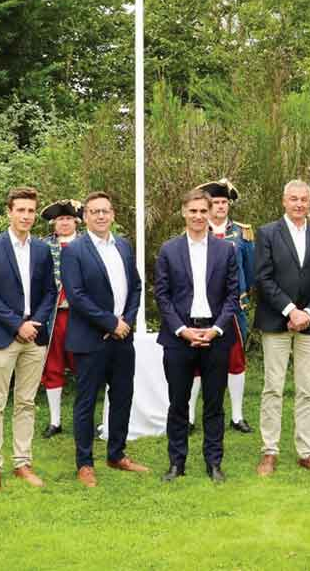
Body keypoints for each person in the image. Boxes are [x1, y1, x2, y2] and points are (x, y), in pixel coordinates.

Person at [61, 190, 149, 486]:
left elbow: (136, 287)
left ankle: (116, 454)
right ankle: (84, 463)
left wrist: (127, 321)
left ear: (112, 215)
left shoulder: (123, 245)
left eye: (105, 211)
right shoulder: (74, 250)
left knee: (123, 396)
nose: (101, 216)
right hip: (91, 339)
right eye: (95, 211)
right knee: (86, 402)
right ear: (85, 217)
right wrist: (111, 322)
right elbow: (77, 296)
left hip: (123, 339)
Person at [154, 188, 240, 483]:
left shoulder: (226, 250)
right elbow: (162, 296)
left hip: (216, 335)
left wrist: (216, 329)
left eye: (204, 211)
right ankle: (177, 463)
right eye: (193, 211)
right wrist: (182, 330)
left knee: (214, 405)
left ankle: (214, 463)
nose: (199, 216)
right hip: (179, 336)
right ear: (183, 212)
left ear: (211, 212)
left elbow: (232, 295)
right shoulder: (169, 250)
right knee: (178, 403)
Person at [253, 179, 310, 476]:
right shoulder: (266, 233)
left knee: (308, 389)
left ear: (309, 202)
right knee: (273, 387)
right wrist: (290, 310)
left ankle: (306, 451)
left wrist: (309, 313)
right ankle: (270, 451)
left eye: (304, 199)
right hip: (277, 320)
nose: (299, 204)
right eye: (294, 199)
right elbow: (263, 278)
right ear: (284, 201)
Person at [0, 187, 57, 492]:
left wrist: (35, 322)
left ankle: (22, 462)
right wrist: (16, 325)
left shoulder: (41, 249)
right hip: (2, 336)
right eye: (20, 210)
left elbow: (51, 290)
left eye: (31, 211)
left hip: (34, 338)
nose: (26, 216)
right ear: (9, 211)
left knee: (26, 403)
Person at [186, 179, 255, 434]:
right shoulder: (193, 233)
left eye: (224, 202)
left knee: (236, 360)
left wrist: (241, 295)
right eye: (215, 203)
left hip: (232, 309)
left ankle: (236, 416)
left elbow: (250, 269)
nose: (220, 207)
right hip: (199, 309)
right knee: (194, 363)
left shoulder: (241, 233)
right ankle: (190, 416)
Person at [38, 199, 83, 438]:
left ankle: (82, 419)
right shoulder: (43, 246)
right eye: (60, 219)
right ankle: (55, 421)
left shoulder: (87, 245)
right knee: (52, 367)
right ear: (54, 223)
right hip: (53, 317)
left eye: (68, 219)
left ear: (76, 221)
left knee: (84, 367)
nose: (64, 223)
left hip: (81, 317)